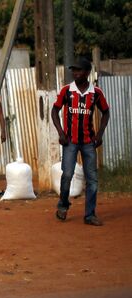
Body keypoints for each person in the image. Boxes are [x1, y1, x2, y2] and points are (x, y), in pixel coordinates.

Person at [52, 57, 110, 226]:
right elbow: (54, 111)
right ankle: (63, 205)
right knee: (67, 174)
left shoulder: (96, 93)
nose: (75, 73)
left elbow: (106, 112)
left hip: (89, 142)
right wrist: (61, 132)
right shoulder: (66, 91)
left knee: (92, 179)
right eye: (73, 70)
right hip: (70, 141)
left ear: (87, 72)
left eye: (79, 70)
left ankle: (90, 215)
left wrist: (100, 134)